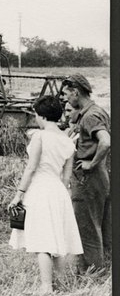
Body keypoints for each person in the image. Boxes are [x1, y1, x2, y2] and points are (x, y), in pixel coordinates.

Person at [7, 95, 83, 294]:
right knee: (58, 237)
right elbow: (66, 177)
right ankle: (61, 284)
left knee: (42, 239)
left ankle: (46, 286)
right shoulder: (67, 141)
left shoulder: (39, 137)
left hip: (40, 188)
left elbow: (31, 168)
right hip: (58, 190)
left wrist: (19, 194)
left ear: (40, 116)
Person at [61, 74, 111, 273]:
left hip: (88, 179)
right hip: (96, 178)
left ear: (76, 92)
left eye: (66, 94)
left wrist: (91, 163)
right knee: (99, 226)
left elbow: (105, 141)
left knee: (87, 229)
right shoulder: (95, 111)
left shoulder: (90, 116)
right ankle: (101, 268)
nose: (65, 99)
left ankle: (92, 273)